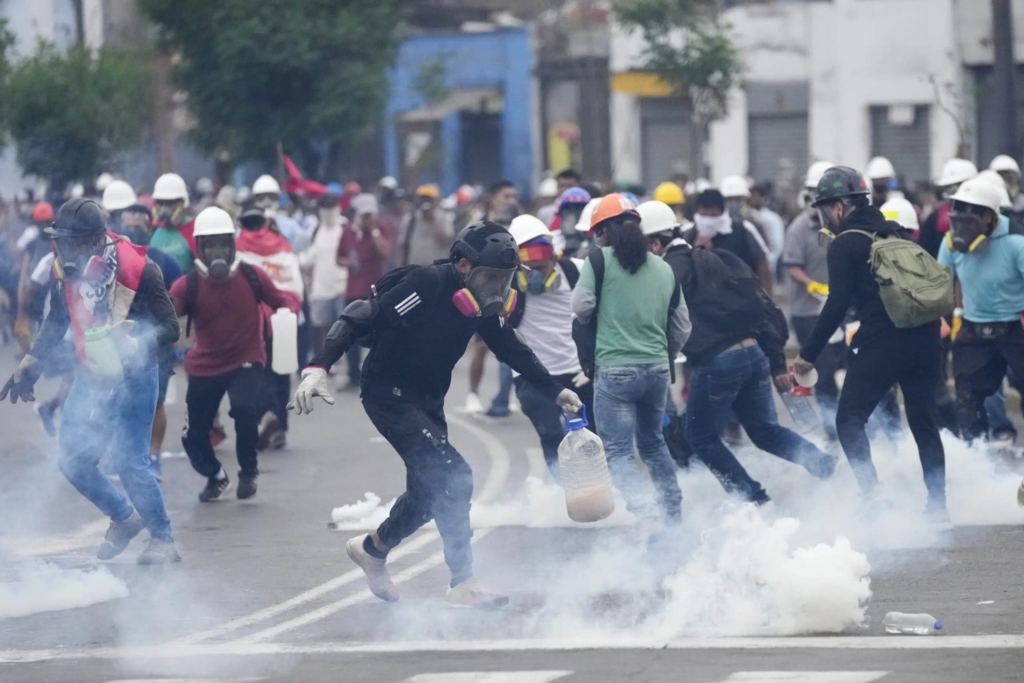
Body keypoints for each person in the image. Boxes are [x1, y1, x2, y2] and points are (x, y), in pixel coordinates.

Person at [291, 221, 582, 608]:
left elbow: (512, 349)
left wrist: (555, 390)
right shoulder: (427, 284)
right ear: (463, 266)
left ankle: (373, 549)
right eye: (491, 277)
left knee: (429, 491)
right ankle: (463, 580)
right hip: (388, 396)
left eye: (505, 279)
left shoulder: (481, 305)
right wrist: (318, 366)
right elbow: (362, 315)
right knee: (455, 476)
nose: (498, 288)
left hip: (428, 400)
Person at [1, 199, 181, 563]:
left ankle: (164, 540)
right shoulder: (62, 270)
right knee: (71, 460)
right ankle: (123, 518)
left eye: (75, 242)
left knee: (130, 463)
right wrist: (32, 362)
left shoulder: (140, 271)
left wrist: (137, 342)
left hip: (135, 375)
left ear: (99, 242)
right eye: (63, 241)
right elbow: (56, 322)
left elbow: (172, 327)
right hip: (92, 374)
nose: (67, 251)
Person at [793, 167, 948, 517]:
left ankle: (873, 495)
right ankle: (939, 509)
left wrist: (808, 354)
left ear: (838, 208)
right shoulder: (897, 233)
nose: (825, 218)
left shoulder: (845, 243)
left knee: (848, 418)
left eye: (824, 210)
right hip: (925, 338)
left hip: (883, 341)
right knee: (924, 423)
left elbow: (836, 304)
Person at [571, 194, 689, 528]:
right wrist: (663, 354)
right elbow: (682, 326)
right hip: (657, 371)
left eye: (597, 233)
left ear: (605, 232)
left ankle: (645, 512)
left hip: (616, 372)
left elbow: (580, 309)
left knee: (619, 450)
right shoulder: (663, 267)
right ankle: (672, 511)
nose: (596, 240)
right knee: (653, 444)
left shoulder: (599, 261)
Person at [171, 207, 301, 501]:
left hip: (246, 358)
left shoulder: (252, 276)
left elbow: (283, 300)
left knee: (245, 411)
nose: (217, 251)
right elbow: (166, 318)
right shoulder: (188, 284)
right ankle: (215, 476)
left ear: (232, 245)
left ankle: (248, 472)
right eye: (210, 244)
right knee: (192, 436)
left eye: (222, 243)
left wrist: (288, 313)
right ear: (199, 249)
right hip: (204, 365)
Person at [935, 178, 1024, 443]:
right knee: (967, 398)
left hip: (1014, 327)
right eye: (957, 219)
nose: (960, 228)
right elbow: (940, 284)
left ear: (989, 217)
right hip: (973, 327)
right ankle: (977, 458)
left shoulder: (1016, 242)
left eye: (969, 221)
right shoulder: (950, 243)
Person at [507, 214, 594, 477]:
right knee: (552, 437)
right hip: (533, 377)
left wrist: (593, 363)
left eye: (541, 267)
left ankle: (598, 488)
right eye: (527, 269)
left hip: (576, 373)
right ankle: (564, 494)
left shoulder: (576, 271)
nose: (534, 275)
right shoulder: (505, 284)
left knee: (591, 437)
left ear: (554, 258)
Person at [117, 204, 184, 476]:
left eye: (137, 226)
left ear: (149, 229)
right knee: (123, 400)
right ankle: (128, 455)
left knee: (156, 401)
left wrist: (182, 343)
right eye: (126, 225)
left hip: (158, 346)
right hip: (120, 344)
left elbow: (181, 301)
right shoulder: (113, 263)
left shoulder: (165, 262)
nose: (131, 231)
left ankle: (153, 455)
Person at [236, 206, 305, 450]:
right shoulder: (282, 246)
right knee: (282, 373)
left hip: (257, 321)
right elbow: (296, 285)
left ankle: (265, 417)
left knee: (258, 371)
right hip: (285, 318)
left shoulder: (238, 247)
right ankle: (280, 426)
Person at [782, 167, 844, 439]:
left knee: (846, 367)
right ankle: (832, 429)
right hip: (808, 312)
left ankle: (847, 422)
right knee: (825, 372)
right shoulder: (798, 229)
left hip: (839, 309)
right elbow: (791, 265)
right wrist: (812, 284)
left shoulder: (839, 226)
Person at [336, 193, 392, 391]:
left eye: (371, 214)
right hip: (353, 289)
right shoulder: (348, 232)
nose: (368, 218)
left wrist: (374, 232)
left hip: (375, 289)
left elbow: (386, 252)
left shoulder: (380, 229)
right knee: (350, 334)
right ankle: (353, 375)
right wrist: (348, 263)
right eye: (364, 215)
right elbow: (339, 257)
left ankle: (376, 375)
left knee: (377, 335)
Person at [683, 189, 773, 291]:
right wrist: (695, 248)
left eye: (713, 216)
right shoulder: (688, 233)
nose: (708, 221)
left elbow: (762, 264)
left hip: (739, 297)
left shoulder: (742, 230)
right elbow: (680, 267)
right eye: (704, 216)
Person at [303, 193, 349, 357]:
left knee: (344, 326)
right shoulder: (315, 230)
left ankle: (346, 360)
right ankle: (327, 359)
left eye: (331, 208)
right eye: (325, 209)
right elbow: (309, 255)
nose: (328, 212)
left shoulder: (345, 228)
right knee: (322, 327)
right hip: (321, 287)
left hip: (342, 285)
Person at [721, 175, 783, 276]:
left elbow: (764, 258)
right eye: (729, 200)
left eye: (738, 200)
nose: (734, 204)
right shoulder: (715, 227)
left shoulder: (754, 226)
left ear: (746, 200)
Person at [919, 158, 979, 259]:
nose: (952, 195)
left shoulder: (986, 217)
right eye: (948, 188)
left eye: (957, 187)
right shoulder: (934, 220)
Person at [150, 172, 196, 273]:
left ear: (183, 203)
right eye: (160, 203)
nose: (164, 209)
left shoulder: (194, 229)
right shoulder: (153, 230)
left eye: (170, 203)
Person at [400, 184, 453, 266]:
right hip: (415, 268)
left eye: (429, 199)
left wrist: (432, 220)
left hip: (436, 269)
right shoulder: (411, 219)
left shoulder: (443, 218)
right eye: (423, 199)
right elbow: (404, 246)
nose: (426, 202)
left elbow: (446, 240)